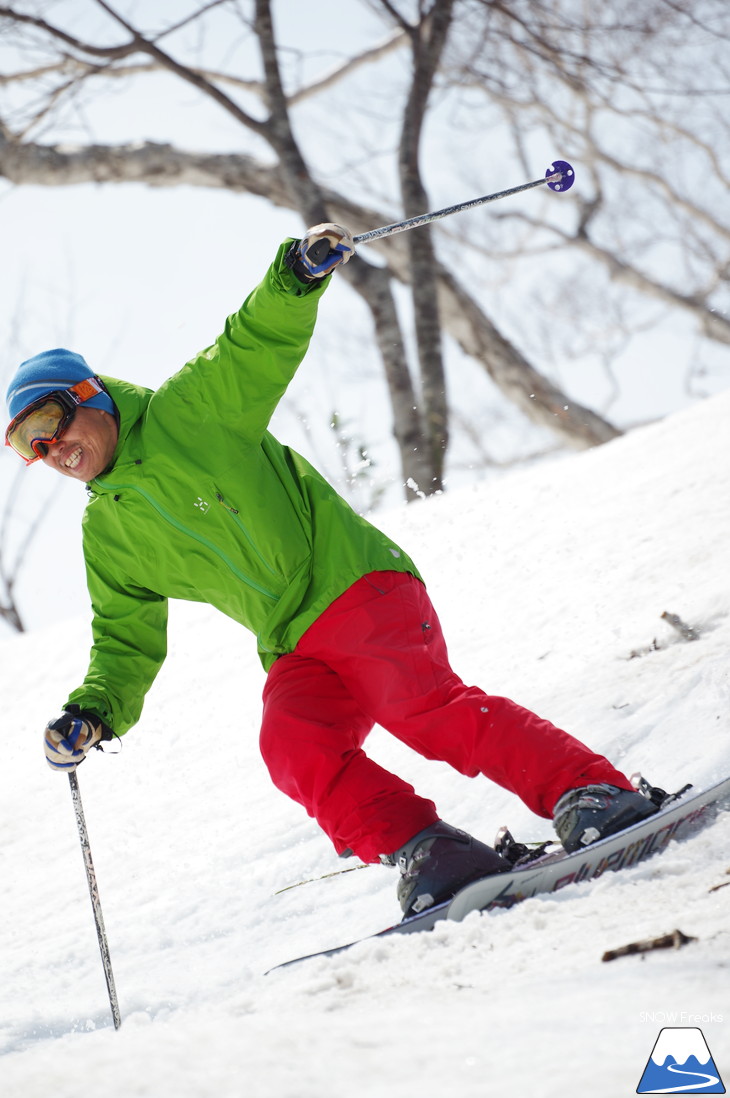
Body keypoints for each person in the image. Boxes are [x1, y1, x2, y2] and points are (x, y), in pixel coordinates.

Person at [5, 224, 660, 919]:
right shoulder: (108, 534)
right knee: (293, 745)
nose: (50, 449)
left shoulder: (188, 414)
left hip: (355, 587)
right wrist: (93, 711)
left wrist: (295, 275)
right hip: (292, 641)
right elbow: (124, 639)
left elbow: (251, 343)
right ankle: (430, 850)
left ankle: (592, 790)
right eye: (26, 444)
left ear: (91, 395)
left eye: (49, 421)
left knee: (423, 711)